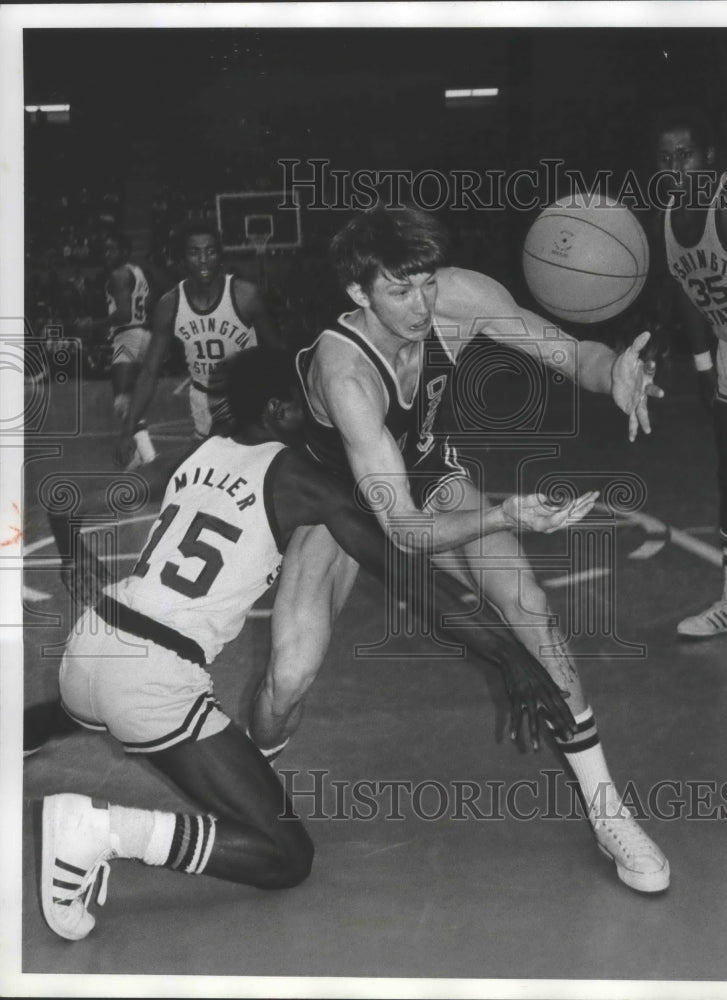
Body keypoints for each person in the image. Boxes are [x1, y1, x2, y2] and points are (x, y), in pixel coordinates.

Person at [35, 347, 589, 941]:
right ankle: (103, 830)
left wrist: (75, 562)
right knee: (285, 853)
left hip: (90, 645)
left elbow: (66, 501)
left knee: (75, 714)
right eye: (306, 406)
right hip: (150, 681)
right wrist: (508, 654)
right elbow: (411, 579)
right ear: (278, 409)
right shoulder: (299, 478)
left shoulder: (196, 453)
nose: (316, 417)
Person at [254, 205, 669, 894]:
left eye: (425, 282)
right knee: (290, 674)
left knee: (527, 601)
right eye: (399, 290)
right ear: (358, 293)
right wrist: (505, 511)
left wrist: (611, 372)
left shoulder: (460, 296)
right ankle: (251, 776)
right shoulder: (346, 374)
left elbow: (566, 351)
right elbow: (405, 534)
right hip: (331, 500)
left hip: (422, 476)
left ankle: (608, 811)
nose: (421, 305)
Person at [653, 107, 727, 638]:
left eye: (686, 154)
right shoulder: (672, 217)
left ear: (710, 157)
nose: (677, 166)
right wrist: (702, 364)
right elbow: (687, 289)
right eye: (667, 158)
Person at [116, 219, 283, 461]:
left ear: (220, 256)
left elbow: (277, 353)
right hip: (204, 398)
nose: (203, 259)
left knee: (253, 468)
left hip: (249, 395)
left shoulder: (246, 296)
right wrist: (127, 429)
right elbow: (149, 373)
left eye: (210, 251)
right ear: (182, 259)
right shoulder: (169, 305)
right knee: (209, 474)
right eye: (194, 253)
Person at [74, 232, 157, 468]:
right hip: (144, 335)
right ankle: (140, 457)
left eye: (112, 249)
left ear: (124, 251)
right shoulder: (137, 271)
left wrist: (93, 324)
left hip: (128, 336)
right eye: (105, 250)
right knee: (133, 399)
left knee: (123, 403)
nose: (107, 254)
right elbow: (148, 305)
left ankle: (149, 458)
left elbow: (123, 314)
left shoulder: (117, 275)